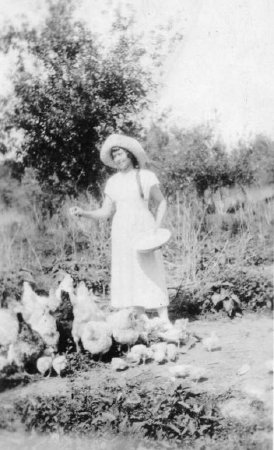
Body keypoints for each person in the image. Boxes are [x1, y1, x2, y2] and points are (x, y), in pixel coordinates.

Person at [70, 134, 170, 323]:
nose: (118, 159)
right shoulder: (113, 182)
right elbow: (105, 212)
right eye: (115, 156)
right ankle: (142, 320)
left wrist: (157, 228)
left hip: (143, 227)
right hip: (121, 230)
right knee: (130, 272)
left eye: (121, 154)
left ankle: (163, 318)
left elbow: (162, 202)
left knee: (150, 270)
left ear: (130, 155)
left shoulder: (145, 176)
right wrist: (83, 212)